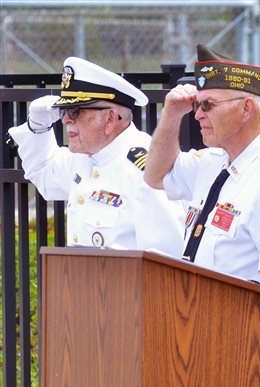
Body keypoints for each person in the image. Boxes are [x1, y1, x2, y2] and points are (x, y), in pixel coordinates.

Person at [144, 44, 260, 387]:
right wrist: (171, 115)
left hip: (245, 346)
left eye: (207, 105)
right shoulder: (212, 163)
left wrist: (252, 364)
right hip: (197, 338)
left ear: (246, 108)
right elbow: (155, 175)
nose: (198, 115)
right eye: (197, 105)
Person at [8, 57, 186, 257]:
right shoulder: (85, 156)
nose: (65, 119)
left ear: (110, 118)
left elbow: (166, 259)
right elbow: (44, 173)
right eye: (64, 110)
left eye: (75, 111)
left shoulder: (147, 169)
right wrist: (37, 126)